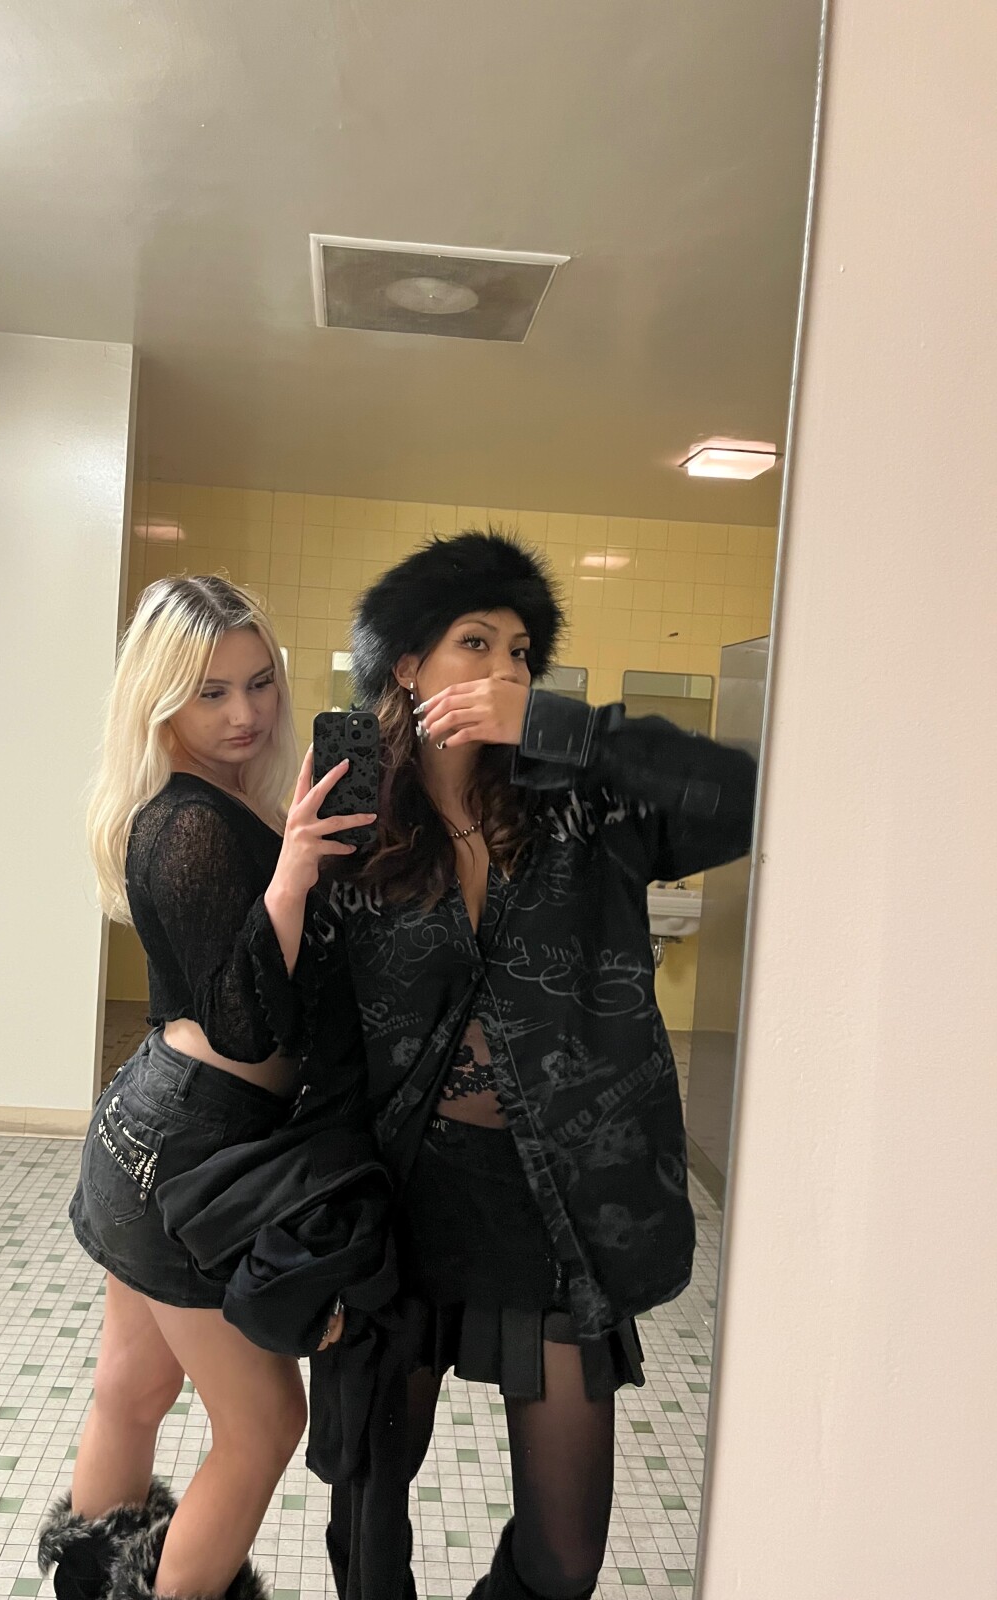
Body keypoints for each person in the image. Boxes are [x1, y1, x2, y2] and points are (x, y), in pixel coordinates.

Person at [260, 532, 758, 1600]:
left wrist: (558, 727)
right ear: (407, 665)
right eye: (475, 642)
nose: (504, 668)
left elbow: (745, 796)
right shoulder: (357, 812)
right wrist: (291, 880)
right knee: (371, 1525)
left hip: (554, 1207)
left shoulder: (583, 804)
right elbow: (305, 1024)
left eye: (522, 652)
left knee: (565, 1555)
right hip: (398, 1203)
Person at [36, 576, 372, 1600]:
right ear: (160, 699)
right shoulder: (187, 822)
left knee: (134, 1387)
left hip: (160, 1134)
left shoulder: (220, 801)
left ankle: (88, 1584)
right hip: (186, 1145)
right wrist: (293, 876)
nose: (244, 712)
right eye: (210, 692)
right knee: (265, 1422)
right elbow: (241, 1021)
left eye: (260, 682)